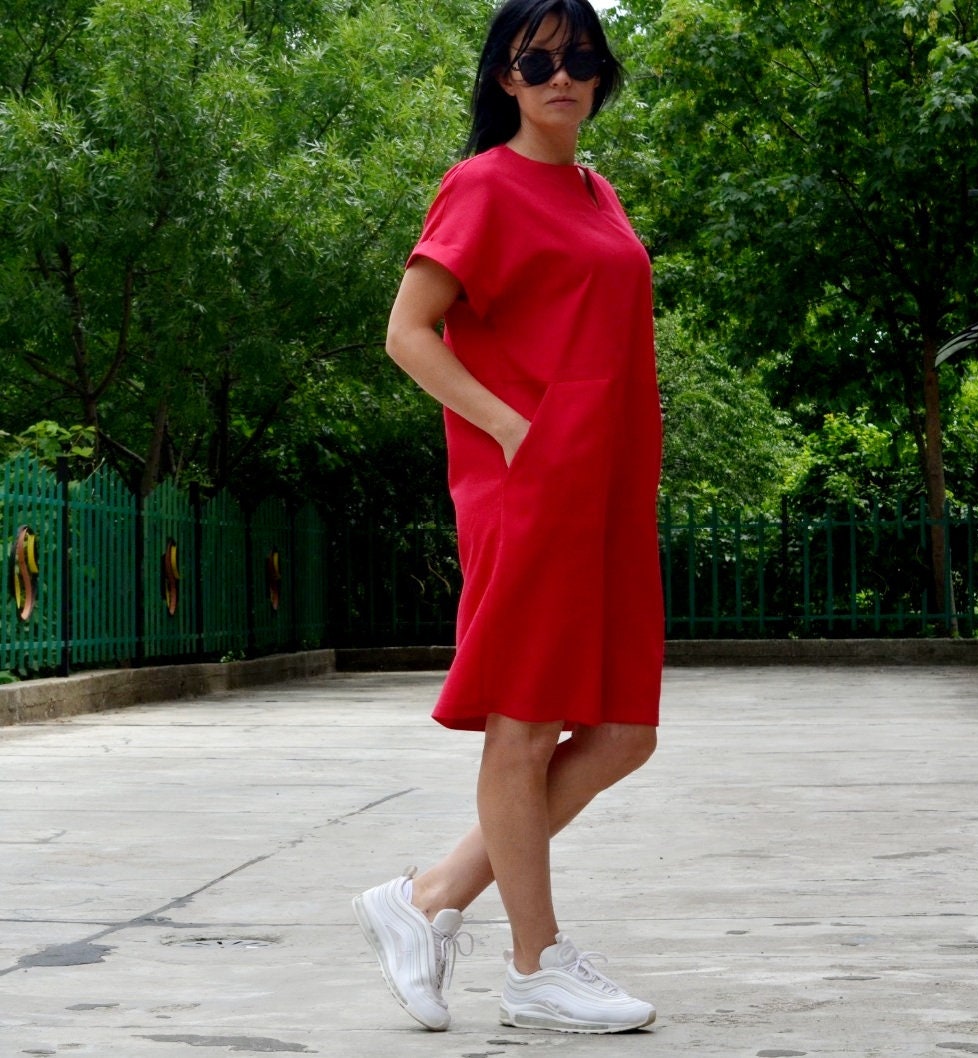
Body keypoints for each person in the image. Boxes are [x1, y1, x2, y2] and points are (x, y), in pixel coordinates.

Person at [353, 0, 664, 1035]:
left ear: (600, 74)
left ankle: (428, 896)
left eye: (579, 59)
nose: (559, 76)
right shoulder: (482, 186)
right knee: (524, 725)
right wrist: (510, 428)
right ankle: (535, 966)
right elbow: (408, 330)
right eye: (537, 62)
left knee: (621, 733)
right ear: (505, 78)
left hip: (607, 495)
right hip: (530, 489)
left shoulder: (598, 191)